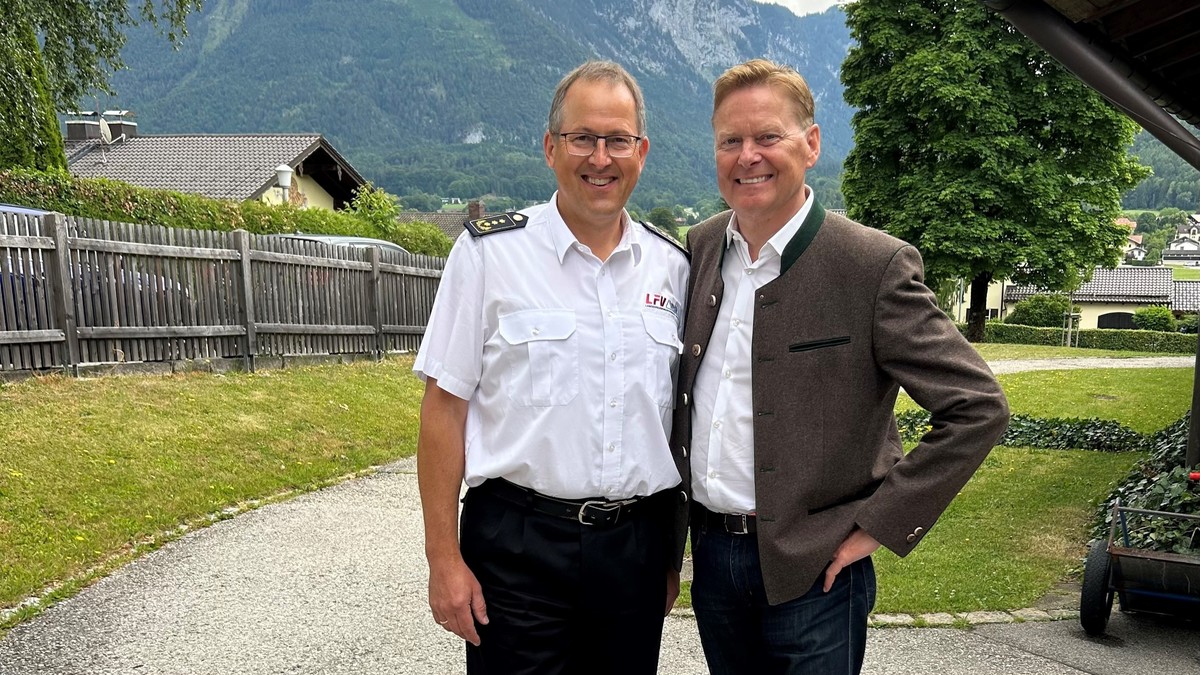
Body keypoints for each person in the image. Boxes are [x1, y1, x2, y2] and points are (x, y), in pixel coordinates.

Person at [674, 58, 1010, 674]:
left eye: (768, 136)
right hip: (714, 561)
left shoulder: (871, 265)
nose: (748, 155)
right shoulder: (695, 250)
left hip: (819, 572)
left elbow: (977, 407)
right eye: (731, 140)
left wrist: (878, 527)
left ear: (811, 142)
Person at [413, 60, 690, 675]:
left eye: (617, 139)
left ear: (640, 151)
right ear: (550, 147)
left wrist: (667, 556)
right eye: (582, 138)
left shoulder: (672, 267)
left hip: (634, 550)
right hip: (518, 547)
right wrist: (442, 558)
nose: (600, 157)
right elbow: (444, 408)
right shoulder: (489, 255)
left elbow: (677, 421)